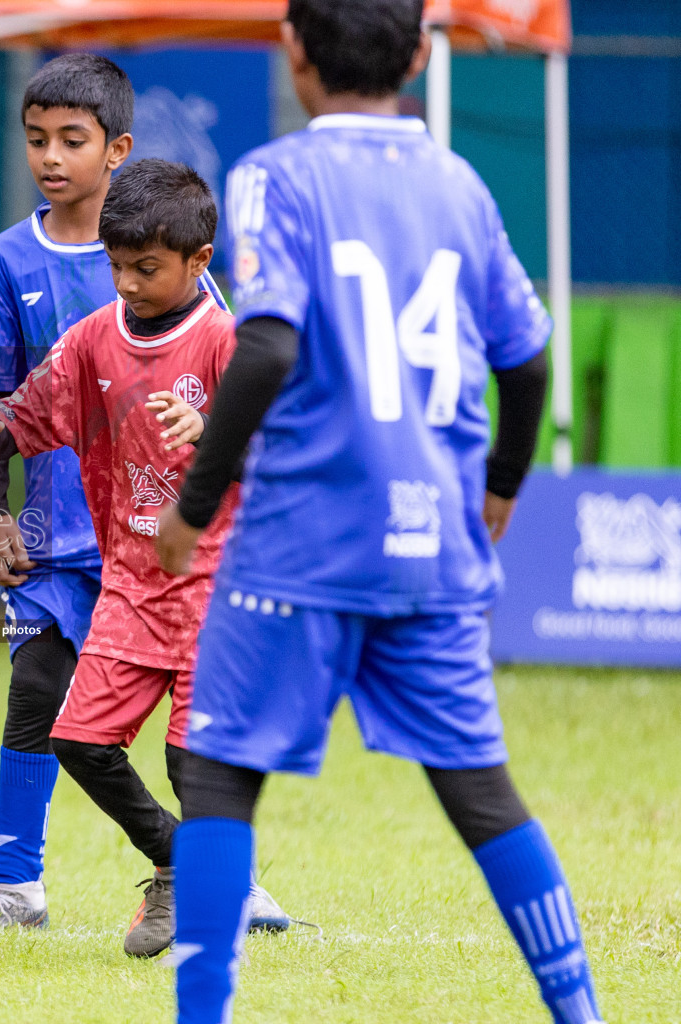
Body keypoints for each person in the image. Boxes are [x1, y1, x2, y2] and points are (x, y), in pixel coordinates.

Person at [156, 3, 604, 1022]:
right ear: (416, 56)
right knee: (482, 790)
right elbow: (526, 361)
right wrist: (497, 489)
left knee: (222, 776)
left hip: (299, 543)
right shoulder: (460, 182)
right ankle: (582, 1012)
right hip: (433, 546)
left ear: (295, 52)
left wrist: (194, 503)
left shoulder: (276, 173)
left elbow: (266, 346)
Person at [0, 159, 286, 960]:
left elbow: (292, 456)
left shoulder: (228, 344)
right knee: (78, 740)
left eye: (146, 269)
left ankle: (201, 893)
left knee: (190, 759)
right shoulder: (91, 343)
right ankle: (176, 861)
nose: (126, 283)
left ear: (199, 263)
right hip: (132, 586)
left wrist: (215, 435)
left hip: (217, 587)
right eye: (117, 265)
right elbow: (20, 424)